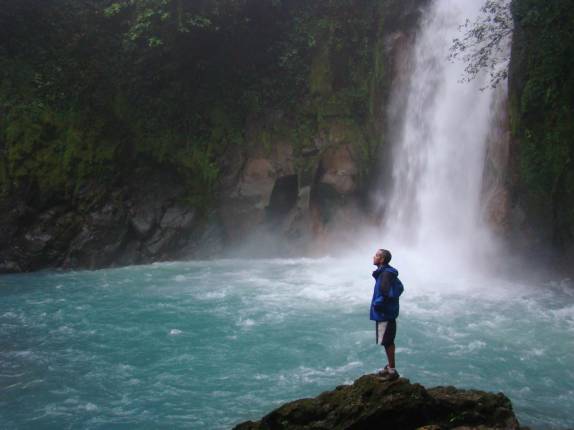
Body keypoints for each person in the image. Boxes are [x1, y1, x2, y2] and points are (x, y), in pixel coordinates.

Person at [370, 248, 401, 381]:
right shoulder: (385, 272)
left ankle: (392, 370)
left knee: (387, 342)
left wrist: (378, 305)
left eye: (376, 255)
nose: (374, 257)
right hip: (386, 312)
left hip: (384, 313)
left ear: (382, 259)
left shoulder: (386, 274)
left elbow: (384, 292)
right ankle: (390, 366)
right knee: (386, 341)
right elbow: (397, 288)